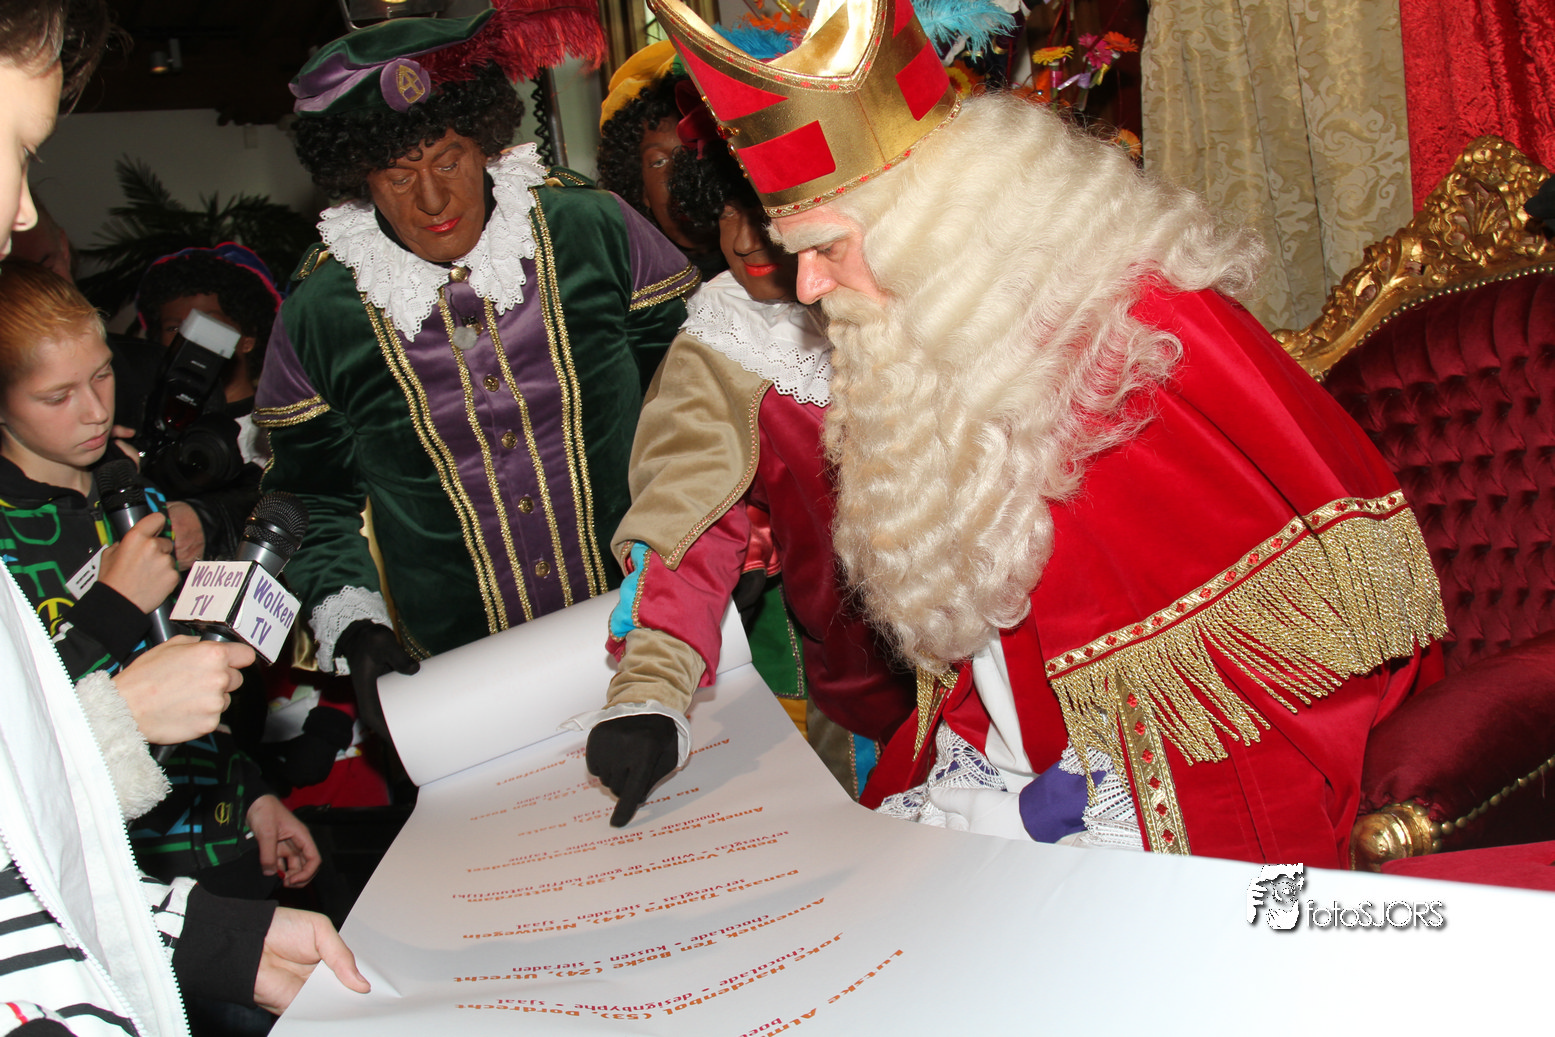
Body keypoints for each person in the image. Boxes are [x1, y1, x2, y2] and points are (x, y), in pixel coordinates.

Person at [647, 0, 1448, 868]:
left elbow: (1276, 677)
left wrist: (1069, 802)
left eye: (828, 249)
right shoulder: (937, 343)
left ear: (931, 234)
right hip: (1008, 780)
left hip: (1169, 804)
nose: (805, 287)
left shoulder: (1136, 344)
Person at [0, 4, 367, 1029]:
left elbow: (195, 673)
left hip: (190, 877)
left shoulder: (136, 493)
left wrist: (252, 795)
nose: (24, 213)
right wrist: (113, 622)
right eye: (54, 395)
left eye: (103, 379)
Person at [255, 5, 698, 737]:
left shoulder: (594, 229)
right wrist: (352, 622)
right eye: (398, 175)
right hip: (459, 682)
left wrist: (721, 545)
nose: (432, 199)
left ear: (484, 144)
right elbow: (311, 498)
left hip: (652, 633)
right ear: (359, 178)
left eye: (448, 160)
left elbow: (697, 406)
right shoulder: (321, 311)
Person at [584, 100, 915, 825]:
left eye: (767, 214)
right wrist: (650, 692)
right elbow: (688, 519)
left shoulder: (944, 295)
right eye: (727, 211)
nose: (740, 241)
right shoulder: (727, 341)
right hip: (868, 698)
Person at [129, 243, 280, 565]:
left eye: (210, 324)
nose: (191, 337)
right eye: (174, 328)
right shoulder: (146, 422)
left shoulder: (279, 423)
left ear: (247, 338)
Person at [596, 41, 722, 277]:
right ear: (641, 189)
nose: (680, 178)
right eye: (658, 162)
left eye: (693, 150)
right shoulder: (627, 281)